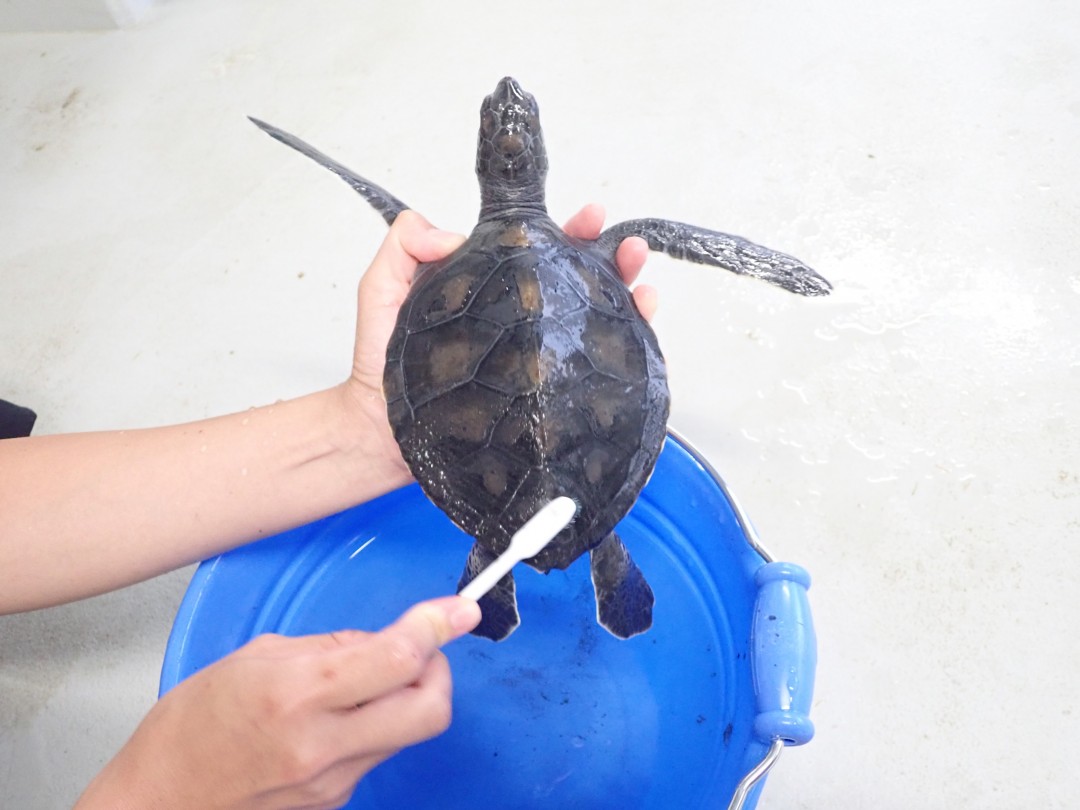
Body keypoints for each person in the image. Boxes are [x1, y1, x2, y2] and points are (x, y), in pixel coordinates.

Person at [0, 205, 655, 809]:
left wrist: (366, 427)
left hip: (477, 454)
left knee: (516, 511)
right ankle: (603, 553)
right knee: (583, 497)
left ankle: (541, 557)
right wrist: (160, 787)